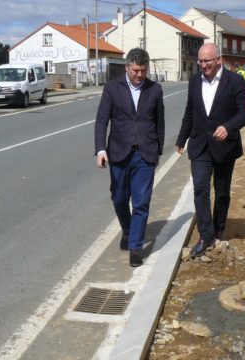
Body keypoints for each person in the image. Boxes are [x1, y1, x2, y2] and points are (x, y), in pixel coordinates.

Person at [176, 43, 245, 258]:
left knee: (221, 192)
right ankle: (206, 235)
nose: (203, 65)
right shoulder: (194, 81)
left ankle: (219, 228)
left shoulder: (235, 81)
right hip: (200, 145)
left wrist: (228, 127)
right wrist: (182, 138)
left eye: (207, 61)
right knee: (200, 188)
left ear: (219, 60)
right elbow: (190, 112)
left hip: (225, 147)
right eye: (200, 61)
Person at [95, 48, 165, 267]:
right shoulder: (112, 88)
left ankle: (135, 248)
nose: (139, 75)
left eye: (143, 70)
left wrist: (158, 151)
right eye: (135, 70)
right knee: (118, 198)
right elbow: (101, 120)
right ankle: (127, 228)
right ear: (127, 67)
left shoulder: (155, 90)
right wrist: (100, 149)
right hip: (118, 153)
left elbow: (159, 123)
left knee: (141, 203)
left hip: (145, 154)